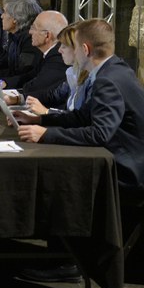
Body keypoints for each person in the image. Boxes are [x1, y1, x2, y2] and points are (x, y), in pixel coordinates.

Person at [15, 18, 144, 192]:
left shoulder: (107, 80)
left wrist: (46, 134)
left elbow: (99, 134)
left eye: (74, 47)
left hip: (127, 173)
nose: (73, 54)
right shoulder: (116, 69)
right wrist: (40, 120)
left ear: (85, 49)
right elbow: (82, 116)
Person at [2, 10, 69, 104]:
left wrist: (18, 97)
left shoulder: (58, 57)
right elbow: (30, 75)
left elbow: (37, 86)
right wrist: (5, 83)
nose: (30, 32)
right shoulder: (47, 53)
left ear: (47, 36)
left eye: (34, 28)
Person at [25, 23, 91, 115]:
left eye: (64, 46)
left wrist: (46, 112)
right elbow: (55, 95)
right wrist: (20, 98)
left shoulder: (93, 79)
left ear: (80, 49)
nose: (59, 50)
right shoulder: (74, 72)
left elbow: (82, 119)